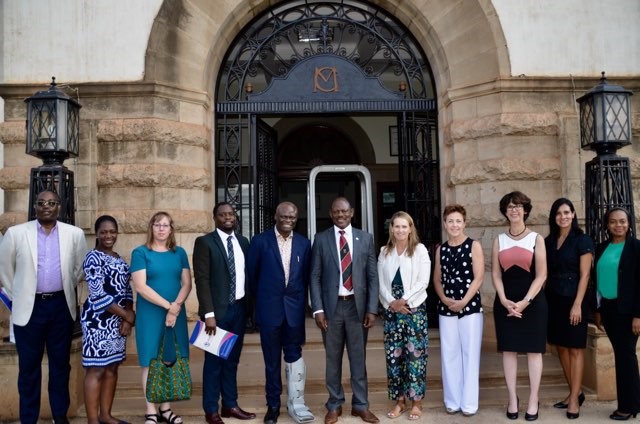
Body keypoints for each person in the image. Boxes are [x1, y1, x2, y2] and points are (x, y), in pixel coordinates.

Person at [0, 190, 87, 424]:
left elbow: (79, 269)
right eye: (41, 203)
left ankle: (60, 416)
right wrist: (19, 295)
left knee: (61, 366)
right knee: (29, 369)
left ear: (59, 206)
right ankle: (28, 418)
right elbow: (5, 271)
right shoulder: (16, 234)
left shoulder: (75, 234)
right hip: (29, 309)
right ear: (34, 206)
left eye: (51, 203)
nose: (46, 206)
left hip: (61, 306)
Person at [309, 197, 380, 424]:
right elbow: (315, 276)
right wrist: (317, 309)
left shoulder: (365, 238)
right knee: (333, 359)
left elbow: (372, 276)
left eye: (345, 211)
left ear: (352, 212)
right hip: (331, 308)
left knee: (358, 358)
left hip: (357, 308)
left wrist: (372, 309)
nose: (341, 215)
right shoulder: (320, 239)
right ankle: (334, 404)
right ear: (331, 213)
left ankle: (360, 405)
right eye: (336, 212)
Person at [248, 201, 314, 424]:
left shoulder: (304, 244)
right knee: (272, 362)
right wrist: (259, 308)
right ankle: (273, 405)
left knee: (294, 357)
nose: (288, 221)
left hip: (294, 313)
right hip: (269, 313)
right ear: (275, 216)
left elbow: (305, 279)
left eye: (292, 217)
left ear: (297, 218)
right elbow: (252, 278)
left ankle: (296, 402)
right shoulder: (259, 242)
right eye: (284, 217)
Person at [193, 202, 256, 424]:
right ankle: (211, 410)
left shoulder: (243, 242)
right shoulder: (204, 243)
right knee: (214, 362)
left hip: (239, 309)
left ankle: (230, 405)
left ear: (235, 217)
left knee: (232, 361)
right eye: (222, 215)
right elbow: (202, 280)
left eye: (230, 214)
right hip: (217, 314)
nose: (227, 217)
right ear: (215, 218)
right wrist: (208, 313)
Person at [130, 212, 192, 424]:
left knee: (169, 358)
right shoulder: (141, 253)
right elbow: (140, 286)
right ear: (151, 227)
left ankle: (166, 410)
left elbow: (187, 283)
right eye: (157, 225)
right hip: (151, 314)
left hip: (176, 313)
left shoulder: (179, 253)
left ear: (171, 229)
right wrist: (169, 307)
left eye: (166, 225)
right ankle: (150, 411)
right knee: (150, 361)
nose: (161, 229)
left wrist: (175, 308)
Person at [492, 191, 547, 422]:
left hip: (532, 303)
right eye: (509, 207)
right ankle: (512, 399)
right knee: (509, 350)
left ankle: (533, 400)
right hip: (505, 303)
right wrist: (504, 300)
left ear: (525, 210)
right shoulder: (498, 240)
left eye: (518, 206)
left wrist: (525, 302)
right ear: (505, 212)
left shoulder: (536, 238)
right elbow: (495, 274)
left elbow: (542, 275)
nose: (514, 210)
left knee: (534, 351)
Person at [81, 215, 135, 424]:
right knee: (96, 369)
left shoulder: (119, 258)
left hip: (117, 323)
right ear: (97, 233)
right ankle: (93, 420)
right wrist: (127, 315)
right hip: (97, 322)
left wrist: (127, 319)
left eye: (112, 231)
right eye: (104, 232)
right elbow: (98, 296)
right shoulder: (93, 258)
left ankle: (106, 415)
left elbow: (127, 290)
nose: (108, 235)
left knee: (112, 367)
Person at [378, 211, 431, 421]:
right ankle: (399, 401)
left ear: (410, 229)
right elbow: (381, 282)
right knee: (394, 358)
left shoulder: (419, 250)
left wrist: (404, 300)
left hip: (413, 312)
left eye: (404, 226)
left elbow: (423, 281)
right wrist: (392, 303)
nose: (400, 230)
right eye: (396, 226)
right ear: (391, 228)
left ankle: (416, 403)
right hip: (392, 313)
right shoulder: (384, 251)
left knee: (415, 358)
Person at [433, 204, 485, 417]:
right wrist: (444, 298)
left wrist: (464, 301)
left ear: (464, 223)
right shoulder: (441, 249)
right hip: (446, 308)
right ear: (445, 224)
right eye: (450, 221)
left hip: (470, 307)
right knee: (450, 354)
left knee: (470, 354)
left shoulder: (474, 246)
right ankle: (452, 401)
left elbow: (479, 277)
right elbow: (437, 279)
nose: (454, 225)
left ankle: (469, 403)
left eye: (458, 221)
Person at [545, 198, 593, 420]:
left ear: (573, 215)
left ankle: (574, 399)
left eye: (566, 212)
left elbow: (585, 275)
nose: (562, 216)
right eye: (558, 213)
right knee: (561, 347)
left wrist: (577, 304)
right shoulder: (548, 241)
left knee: (575, 348)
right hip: (553, 299)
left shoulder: (582, 240)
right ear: (554, 217)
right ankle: (575, 391)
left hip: (575, 299)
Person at [593, 207, 640, 421]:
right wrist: (599, 310)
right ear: (607, 224)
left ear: (629, 224)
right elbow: (598, 282)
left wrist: (638, 315)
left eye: (622, 221)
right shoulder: (601, 248)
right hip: (609, 310)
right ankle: (632, 404)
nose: (618, 225)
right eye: (613, 221)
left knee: (626, 357)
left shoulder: (636, 247)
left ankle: (628, 407)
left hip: (629, 312)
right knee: (622, 357)